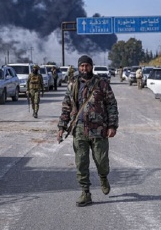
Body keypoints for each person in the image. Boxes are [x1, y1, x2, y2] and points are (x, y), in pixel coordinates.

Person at [57, 55, 119, 207]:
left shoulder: (102, 84)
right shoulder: (72, 84)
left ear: (91, 66)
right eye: (82, 66)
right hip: (79, 130)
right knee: (81, 162)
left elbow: (111, 105)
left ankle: (103, 177)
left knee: (101, 161)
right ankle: (85, 192)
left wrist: (112, 126)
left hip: (99, 130)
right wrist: (61, 127)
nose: (84, 68)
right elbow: (66, 106)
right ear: (78, 67)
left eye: (87, 66)